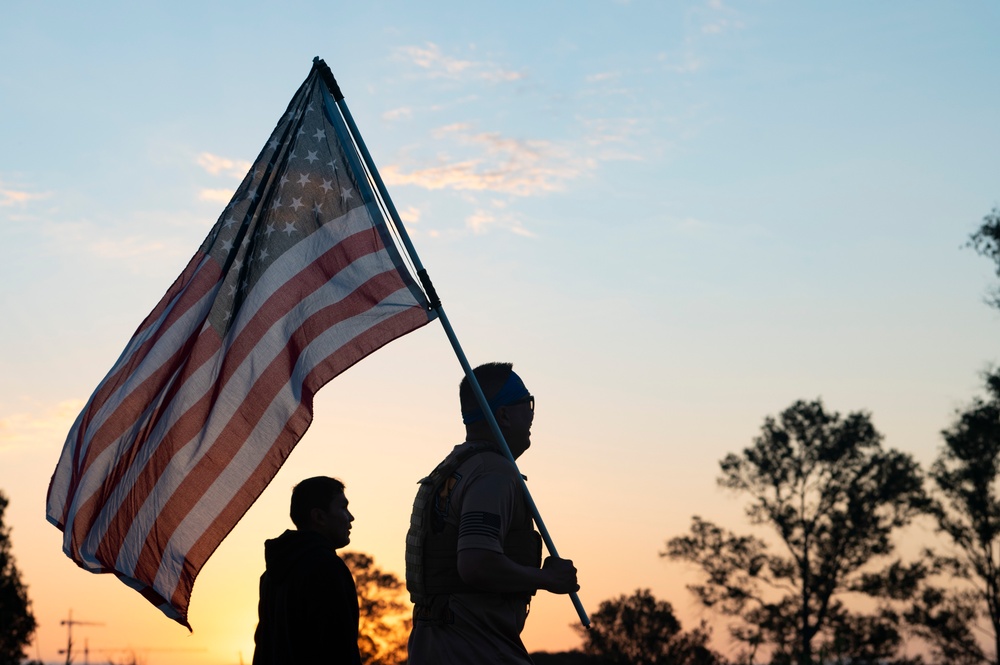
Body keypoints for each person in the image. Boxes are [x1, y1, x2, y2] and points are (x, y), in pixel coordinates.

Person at [405, 362, 579, 664]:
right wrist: (546, 579)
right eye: (527, 403)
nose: (532, 414)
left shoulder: (453, 468)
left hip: (433, 644)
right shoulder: (492, 473)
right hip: (476, 647)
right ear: (504, 415)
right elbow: (476, 563)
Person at [252, 476, 361, 665]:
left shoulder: (271, 575)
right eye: (343, 507)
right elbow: (339, 649)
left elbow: (262, 651)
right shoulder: (327, 568)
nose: (351, 517)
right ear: (319, 516)